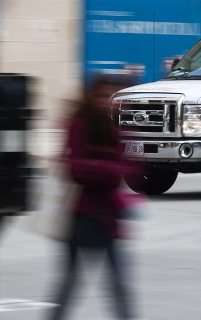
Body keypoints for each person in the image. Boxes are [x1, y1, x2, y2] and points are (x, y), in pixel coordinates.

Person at [48, 76, 140, 320]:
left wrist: (96, 168)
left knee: (119, 286)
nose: (104, 102)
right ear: (91, 96)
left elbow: (127, 172)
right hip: (80, 218)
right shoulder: (79, 125)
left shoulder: (117, 130)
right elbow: (74, 169)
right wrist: (106, 170)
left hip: (109, 218)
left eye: (109, 97)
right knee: (69, 285)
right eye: (100, 95)